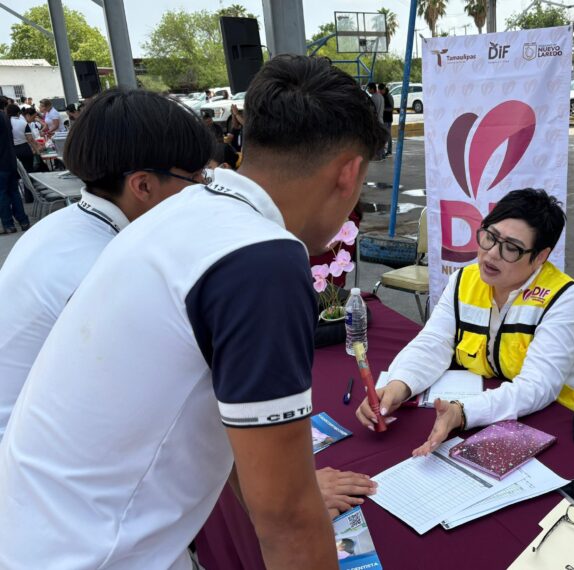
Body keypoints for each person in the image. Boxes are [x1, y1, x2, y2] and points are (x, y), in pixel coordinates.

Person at [0, 55, 387, 569]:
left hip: (40, 527)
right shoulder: (260, 258)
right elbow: (288, 519)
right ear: (349, 174)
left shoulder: (181, 212)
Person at [0, 88, 212, 442]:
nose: (205, 191)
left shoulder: (64, 226)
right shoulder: (104, 270)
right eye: (197, 180)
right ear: (142, 185)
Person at [357, 189, 574, 455]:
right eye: (490, 237)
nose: (492, 254)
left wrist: (463, 412)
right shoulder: (464, 279)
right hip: (500, 410)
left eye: (511, 248)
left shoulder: (562, 297)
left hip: (562, 420)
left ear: (540, 257)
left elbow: (537, 387)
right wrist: (398, 385)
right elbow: (433, 342)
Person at [0, 99, 29, 234]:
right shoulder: (6, 118)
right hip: (10, 160)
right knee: (14, 192)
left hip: (2, 162)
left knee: (3, 194)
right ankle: (23, 221)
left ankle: (8, 224)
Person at [8, 104, 37, 174]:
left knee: (17, 173)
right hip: (24, 148)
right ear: (18, 113)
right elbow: (30, 139)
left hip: (11, 150)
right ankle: (28, 184)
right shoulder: (23, 123)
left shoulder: (7, 122)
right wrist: (37, 150)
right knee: (29, 170)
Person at [366, 82, 385, 160]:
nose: (368, 90)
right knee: (381, 138)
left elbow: (372, 110)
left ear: (372, 89)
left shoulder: (373, 98)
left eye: (368, 89)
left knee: (376, 139)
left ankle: (378, 156)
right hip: (381, 119)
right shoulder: (381, 96)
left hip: (376, 121)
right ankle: (382, 155)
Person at [378, 83, 394, 156]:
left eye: (381, 91)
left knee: (388, 135)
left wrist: (383, 109)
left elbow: (391, 108)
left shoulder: (388, 96)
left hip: (388, 119)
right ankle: (384, 150)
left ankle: (389, 151)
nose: (380, 92)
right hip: (383, 118)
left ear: (383, 89)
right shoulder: (382, 96)